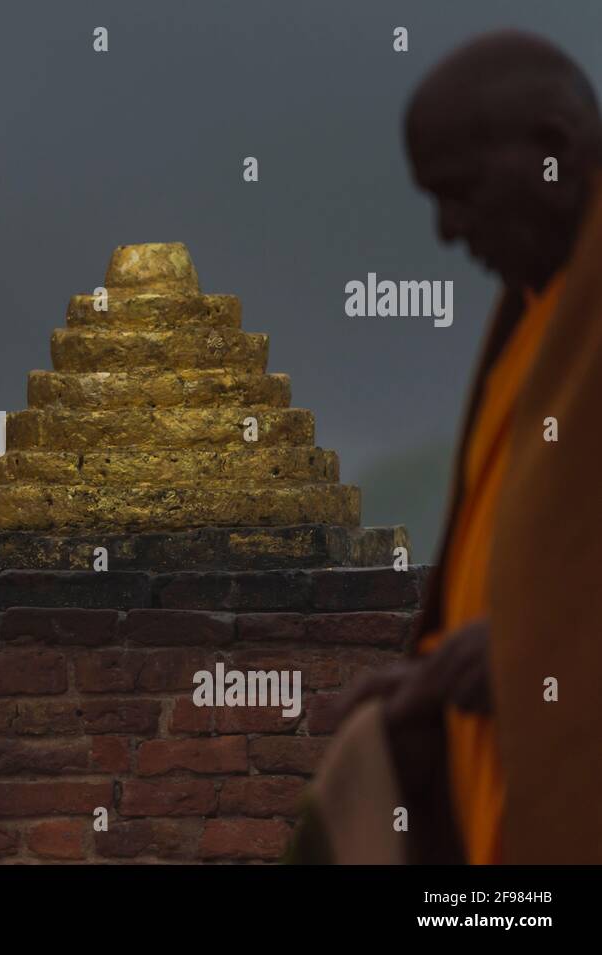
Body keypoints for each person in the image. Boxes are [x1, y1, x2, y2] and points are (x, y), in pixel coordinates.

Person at [290, 30, 602, 864]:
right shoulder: (538, 320)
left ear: (556, 149)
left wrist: (534, 655)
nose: (445, 230)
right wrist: (432, 673)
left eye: (460, 191)